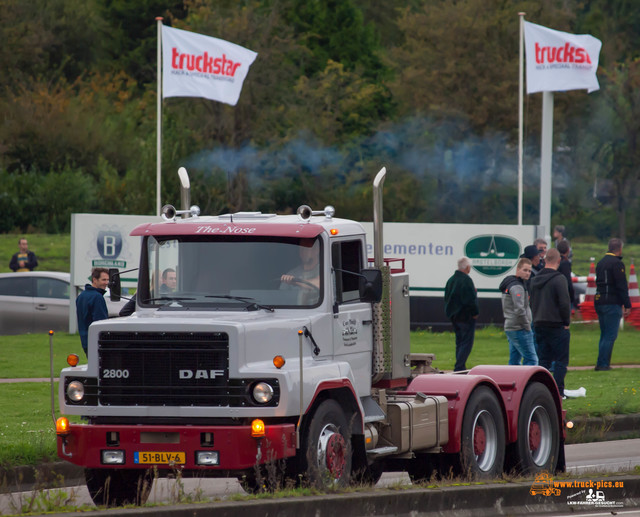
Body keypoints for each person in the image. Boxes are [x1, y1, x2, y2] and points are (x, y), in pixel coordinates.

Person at [529, 249, 571, 397]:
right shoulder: (559, 279)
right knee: (560, 361)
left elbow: (531, 302)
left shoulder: (534, 279)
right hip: (556, 323)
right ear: (558, 261)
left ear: (545, 260)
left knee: (544, 360)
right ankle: (558, 392)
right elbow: (564, 303)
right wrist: (566, 321)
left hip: (539, 323)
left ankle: (541, 391)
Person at [594, 238, 631, 371]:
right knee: (610, 335)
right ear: (619, 249)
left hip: (599, 301)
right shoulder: (617, 264)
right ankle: (603, 364)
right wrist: (627, 304)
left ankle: (600, 362)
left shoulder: (600, 262)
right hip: (611, 302)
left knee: (604, 334)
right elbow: (621, 286)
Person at [500, 258, 537, 366]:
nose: (527, 273)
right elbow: (520, 310)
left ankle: (510, 381)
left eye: (529, 271)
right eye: (525, 270)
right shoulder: (517, 286)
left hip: (513, 327)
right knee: (532, 360)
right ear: (518, 269)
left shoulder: (514, 283)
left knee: (514, 361)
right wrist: (527, 326)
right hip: (519, 328)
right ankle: (528, 383)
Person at [444, 257, 479, 372]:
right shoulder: (467, 280)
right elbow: (470, 300)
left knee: (459, 342)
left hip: (454, 317)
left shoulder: (451, 280)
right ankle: (459, 367)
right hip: (466, 317)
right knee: (466, 343)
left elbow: (447, 298)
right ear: (467, 267)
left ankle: (460, 365)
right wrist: (475, 313)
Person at [76, 268, 110, 356]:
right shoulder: (97, 297)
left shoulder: (81, 296)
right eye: (104, 280)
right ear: (94, 280)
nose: (106, 283)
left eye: (108, 280)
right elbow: (101, 323)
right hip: (97, 341)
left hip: (85, 340)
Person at [280, 239, 320, 304]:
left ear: (316, 250)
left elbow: (319, 284)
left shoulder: (325, 269)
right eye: (300, 249)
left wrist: (295, 282)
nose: (302, 252)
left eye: (305, 249)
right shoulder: (292, 273)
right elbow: (281, 297)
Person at [557, 240, 575, 308]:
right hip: (565, 296)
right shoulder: (565, 263)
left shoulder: (556, 261)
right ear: (568, 250)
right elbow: (568, 281)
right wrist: (572, 297)